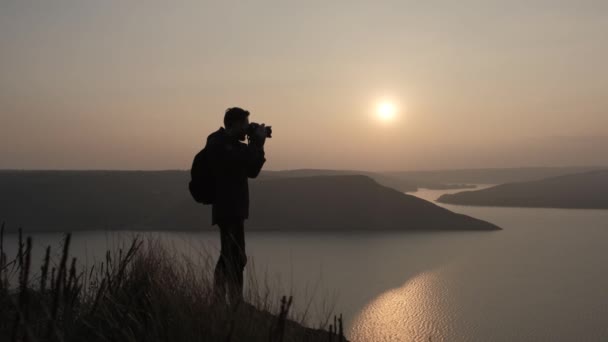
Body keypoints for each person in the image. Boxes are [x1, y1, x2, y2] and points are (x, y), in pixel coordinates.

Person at [205, 107, 267, 304]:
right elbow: (238, 161)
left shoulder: (236, 146)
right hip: (226, 207)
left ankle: (228, 299)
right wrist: (255, 143)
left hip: (236, 208)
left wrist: (259, 145)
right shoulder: (218, 142)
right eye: (246, 124)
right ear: (235, 124)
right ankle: (228, 301)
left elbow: (253, 171)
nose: (247, 129)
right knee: (233, 255)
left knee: (234, 256)